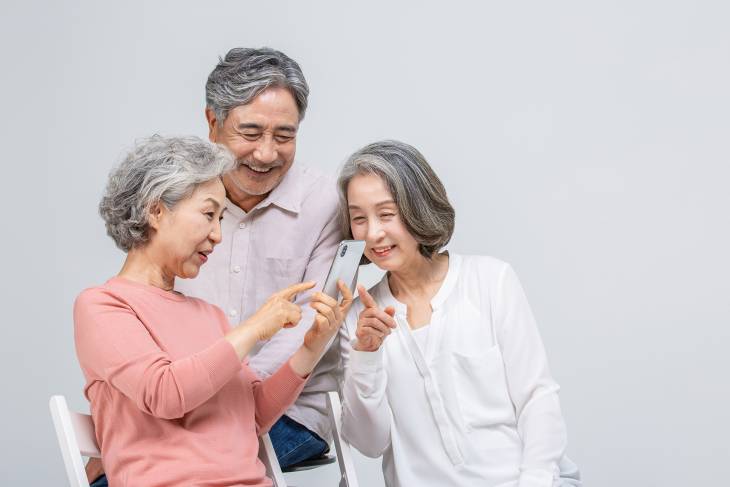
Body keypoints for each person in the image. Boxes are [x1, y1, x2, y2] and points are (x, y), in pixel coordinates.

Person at [87, 47, 344, 485]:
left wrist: (310, 348)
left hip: (252, 439)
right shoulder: (102, 305)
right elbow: (167, 393)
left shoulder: (205, 314)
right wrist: (251, 335)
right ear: (156, 212)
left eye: (284, 136)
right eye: (210, 215)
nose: (265, 154)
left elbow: (251, 410)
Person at [338, 140, 581, 486]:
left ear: (417, 207)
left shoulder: (490, 280)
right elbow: (370, 444)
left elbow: (537, 397)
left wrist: (536, 480)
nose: (373, 233)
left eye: (386, 214)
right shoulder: (360, 318)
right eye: (358, 218)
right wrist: (366, 356)